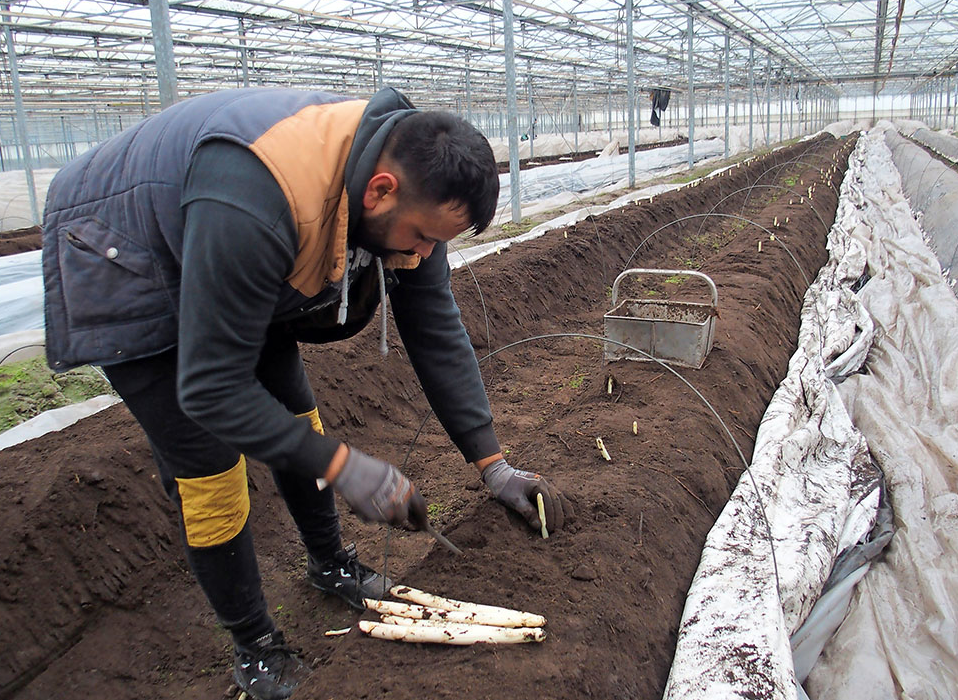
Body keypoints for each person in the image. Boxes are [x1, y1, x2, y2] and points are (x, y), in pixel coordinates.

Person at [41, 86, 568, 700]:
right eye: (422, 237)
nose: (424, 254)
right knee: (209, 465)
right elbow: (211, 388)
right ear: (380, 191)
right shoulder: (257, 193)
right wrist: (345, 468)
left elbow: (434, 326)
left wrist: (493, 466)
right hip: (122, 255)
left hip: (224, 247)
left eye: (436, 243)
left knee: (297, 414)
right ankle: (255, 645)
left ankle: (329, 563)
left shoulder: (409, 182)